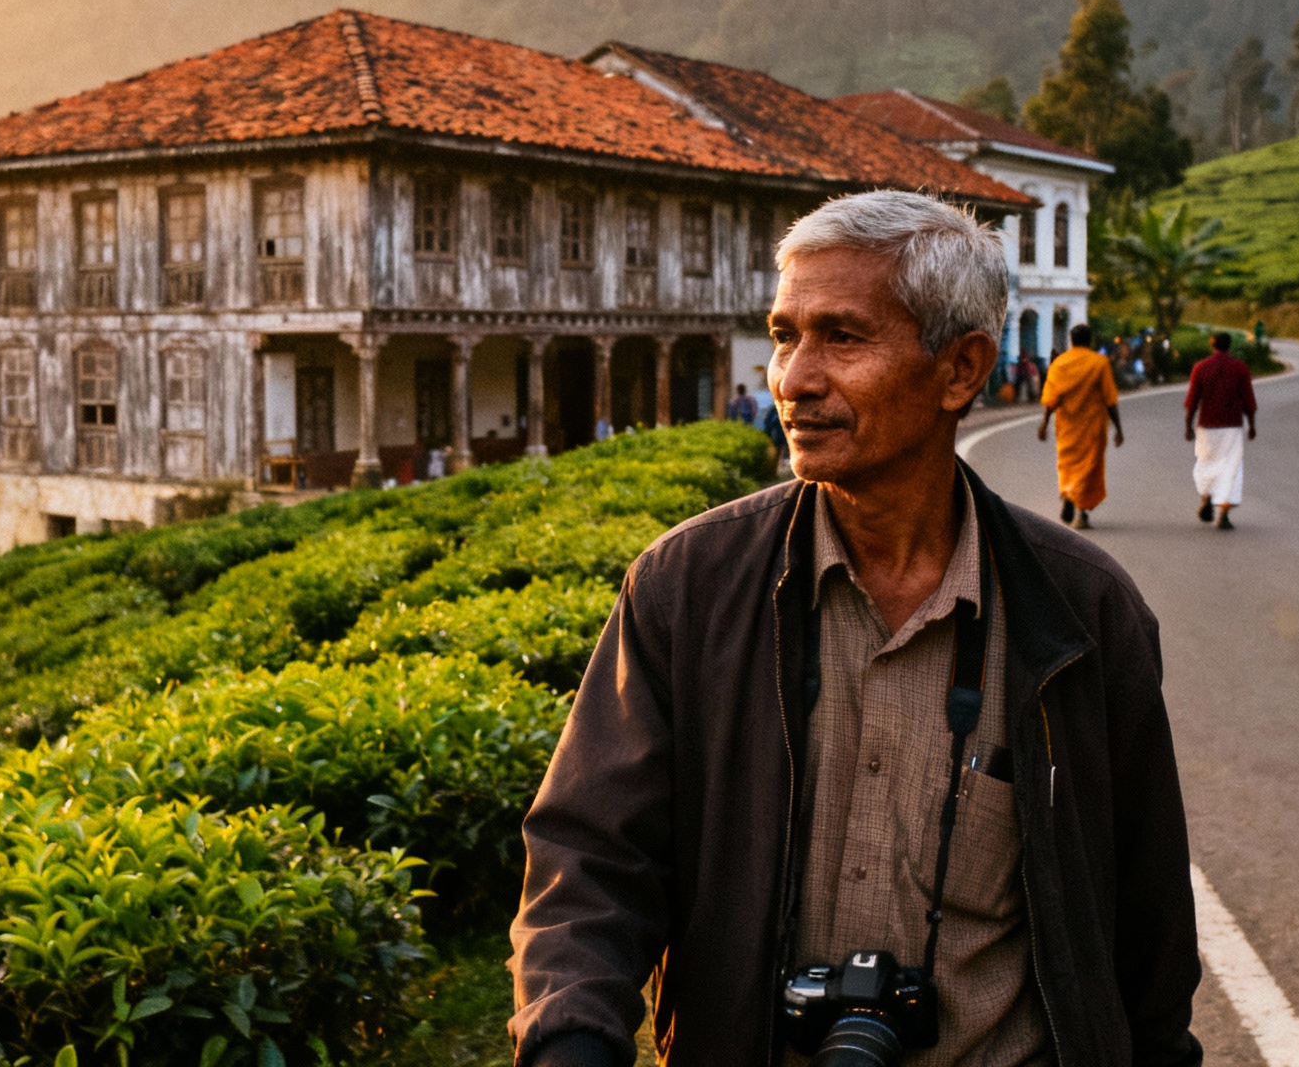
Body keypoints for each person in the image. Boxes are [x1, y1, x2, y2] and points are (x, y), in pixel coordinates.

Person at [509, 190, 1201, 1067]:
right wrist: (571, 1038)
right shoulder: (689, 588)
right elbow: (590, 858)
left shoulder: (1083, 613)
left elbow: (1148, 928)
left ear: (961, 369)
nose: (794, 379)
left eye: (842, 337)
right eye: (785, 334)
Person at [1040, 323, 1124, 529]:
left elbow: (1051, 399)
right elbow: (1110, 399)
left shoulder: (1060, 364)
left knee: (1067, 464)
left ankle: (1068, 494)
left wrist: (1044, 423)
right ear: (1090, 340)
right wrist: (1119, 428)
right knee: (1089, 469)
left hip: (1067, 426)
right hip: (1093, 426)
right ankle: (1082, 512)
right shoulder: (1099, 363)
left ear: (1071, 340)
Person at [1183, 331, 1258, 530]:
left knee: (1207, 463)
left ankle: (1207, 496)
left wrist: (1188, 425)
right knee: (1230, 468)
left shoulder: (1200, 368)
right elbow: (1248, 400)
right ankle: (1223, 512)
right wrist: (1251, 424)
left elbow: (1192, 400)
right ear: (1229, 345)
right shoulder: (1239, 368)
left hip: (1207, 426)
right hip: (1232, 426)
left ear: (1212, 344)